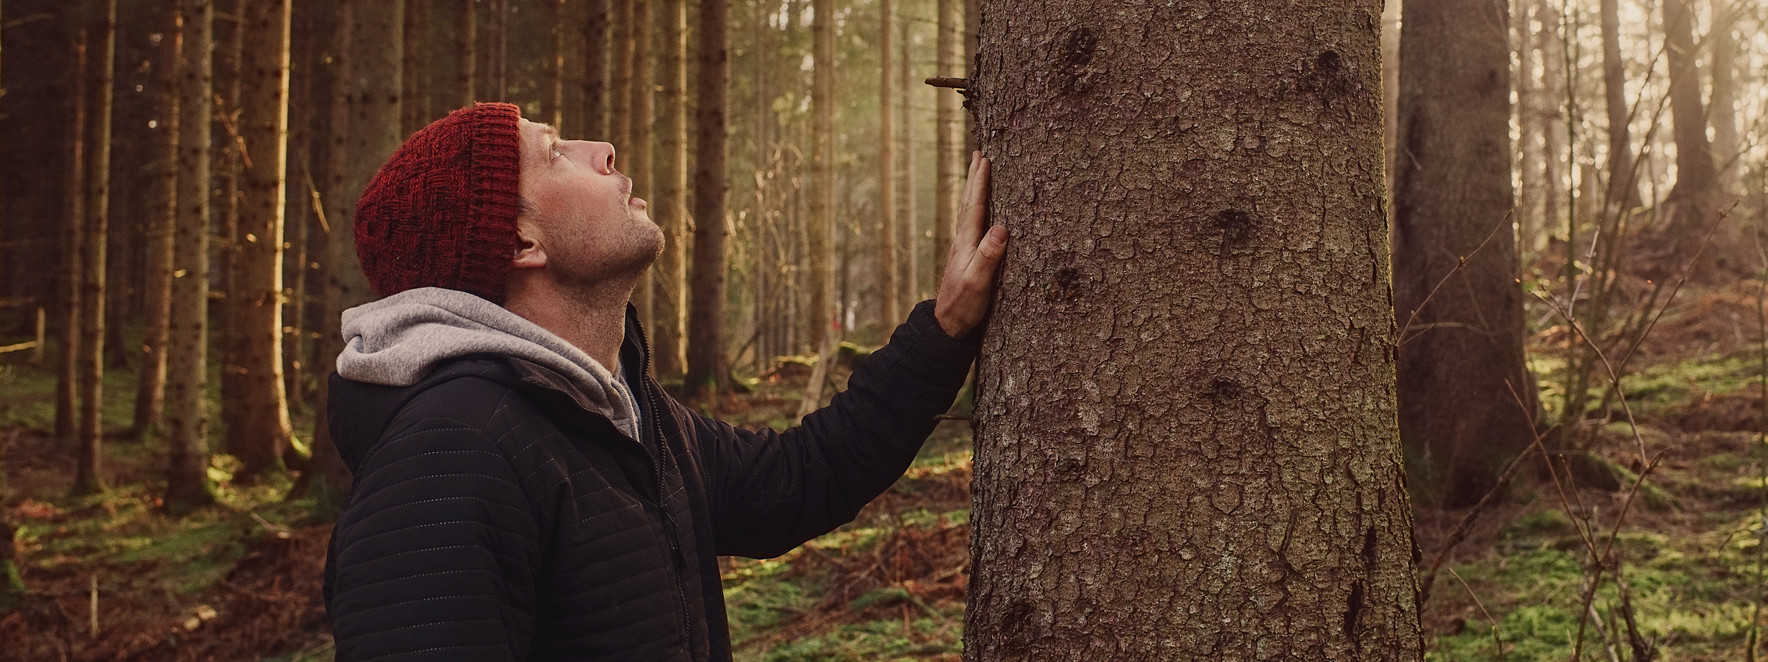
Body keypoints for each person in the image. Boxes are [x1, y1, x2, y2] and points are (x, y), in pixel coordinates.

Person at [322, 102, 1006, 661]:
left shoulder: (619, 414)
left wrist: (944, 329)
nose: (605, 150)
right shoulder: (447, 454)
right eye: (555, 151)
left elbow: (804, 476)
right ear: (518, 243)